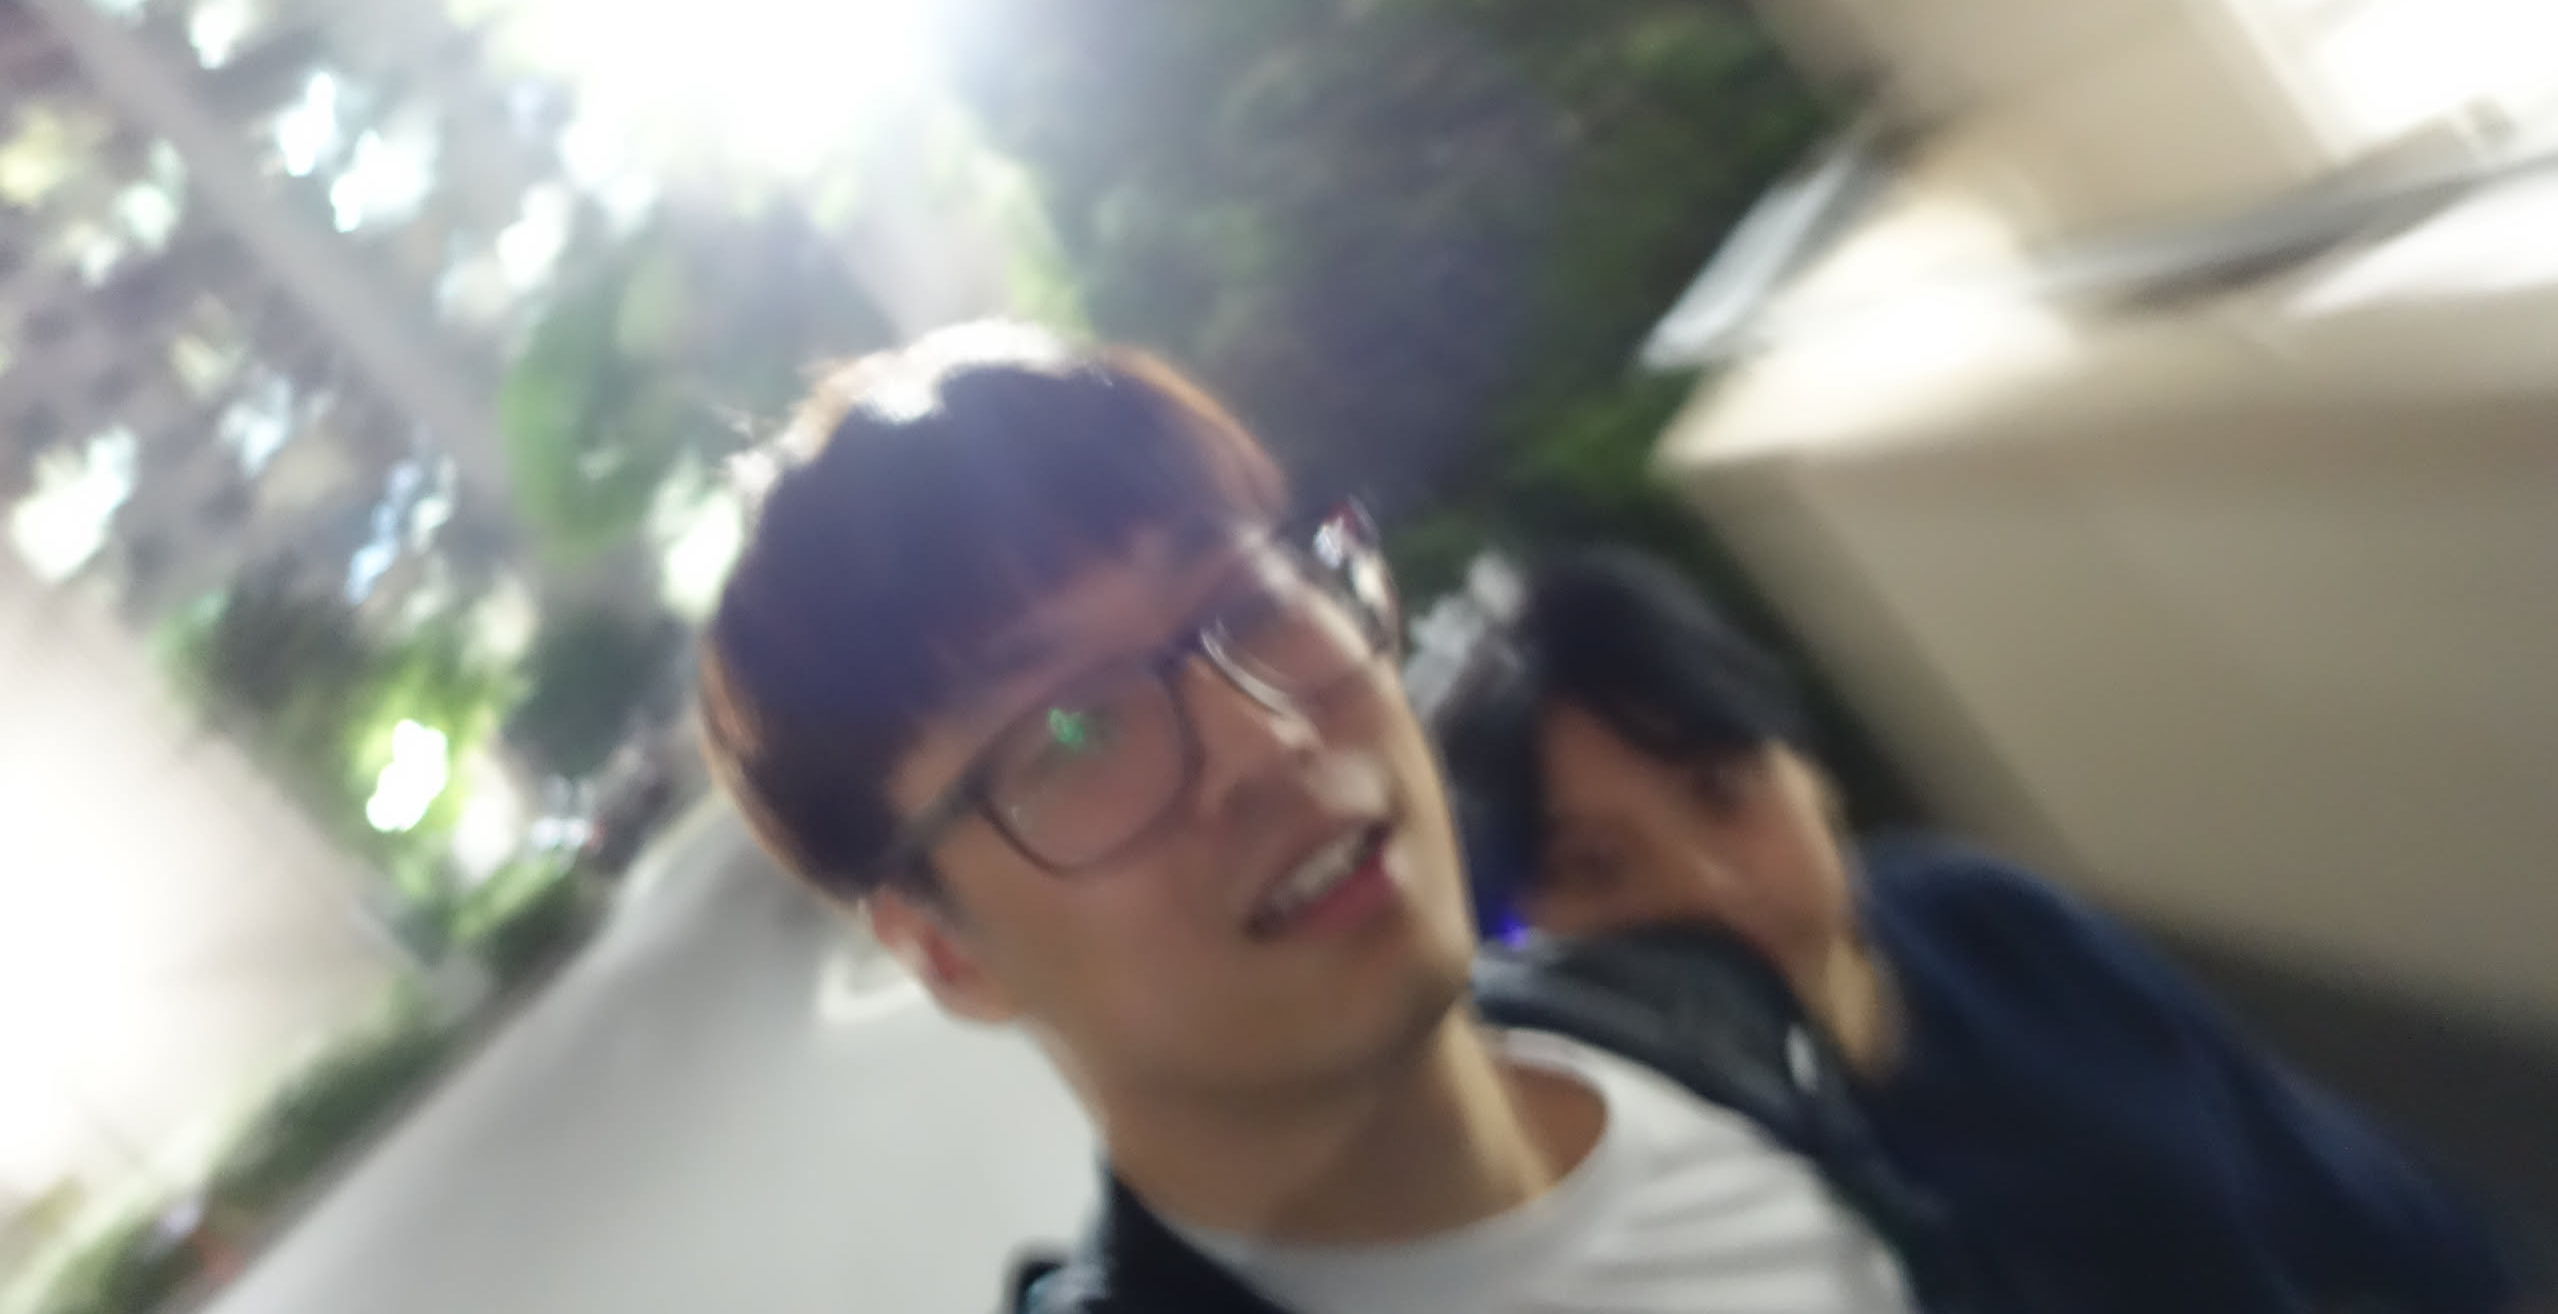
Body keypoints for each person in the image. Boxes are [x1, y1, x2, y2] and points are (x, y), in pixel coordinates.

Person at [697, 322, 2001, 1314]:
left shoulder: (1694, 1008)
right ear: (941, 947)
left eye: (1251, 604)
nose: (1261, 741)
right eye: (1076, 731)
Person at [1433, 545, 2533, 1314]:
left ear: (1807, 770)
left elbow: (2299, 1151)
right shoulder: (1679, 1197)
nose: (1710, 888)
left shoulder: (1982, 918)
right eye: (1595, 867)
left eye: (1723, 791)